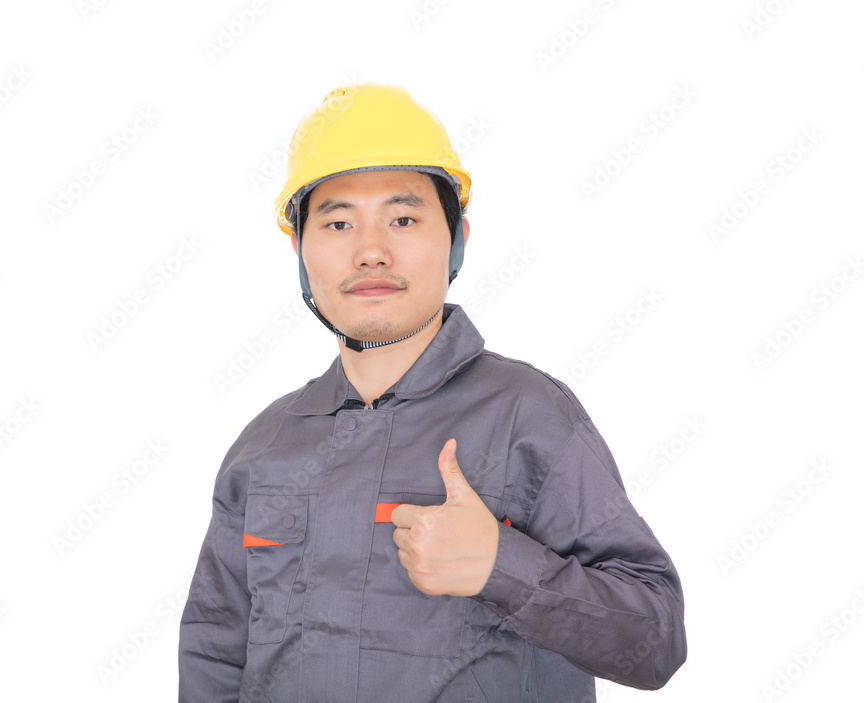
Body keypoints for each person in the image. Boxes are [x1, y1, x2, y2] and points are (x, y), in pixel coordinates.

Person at [179, 83, 686, 703]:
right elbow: (214, 652)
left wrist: (501, 567)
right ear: (299, 249)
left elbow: (657, 640)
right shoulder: (264, 447)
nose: (371, 251)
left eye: (404, 218)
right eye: (337, 222)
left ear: (457, 239)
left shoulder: (526, 417)